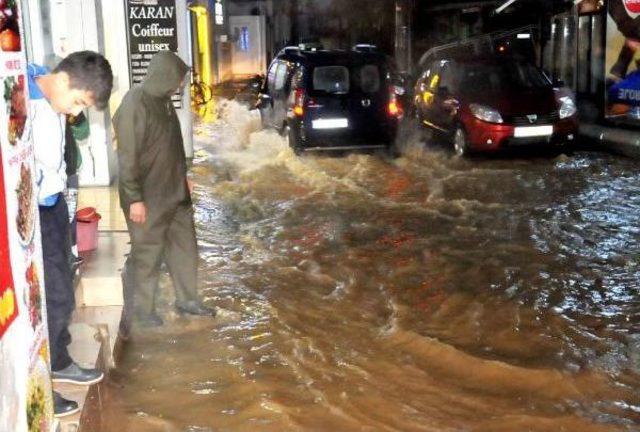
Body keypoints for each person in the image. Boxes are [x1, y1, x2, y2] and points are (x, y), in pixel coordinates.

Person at [29, 51, 113, 417]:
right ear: (63, 81)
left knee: (62, 290)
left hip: (51, 206)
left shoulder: (52, 105)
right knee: (48, 299)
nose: (76, 112)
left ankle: (59, 362)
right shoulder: (20, 102)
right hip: (29, 214)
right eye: (77, 101)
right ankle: (41, 385)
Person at [113, 51, 215, 333]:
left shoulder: (164, 101)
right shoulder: (136, 103)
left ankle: (188, 300)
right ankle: (142, 312)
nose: (181, 85)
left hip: (174, 193)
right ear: (165, 75)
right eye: (179, 79)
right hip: (147, 197)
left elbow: (173, 145)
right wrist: (134, 199)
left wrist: (184, 177)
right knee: (148, 255)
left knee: (185, 249)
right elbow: (127, 156)